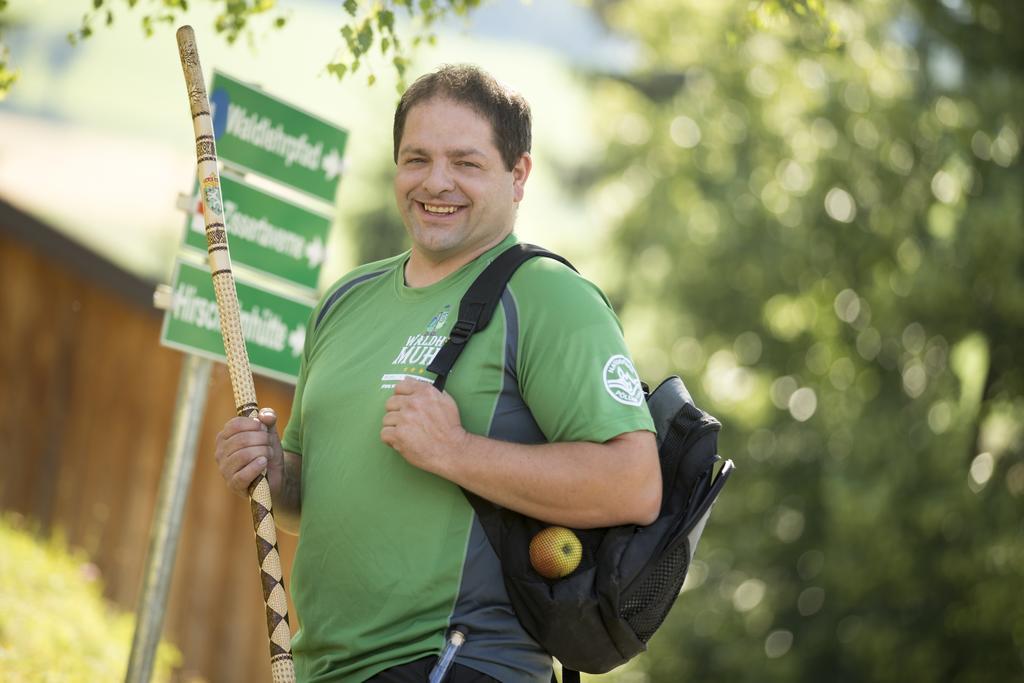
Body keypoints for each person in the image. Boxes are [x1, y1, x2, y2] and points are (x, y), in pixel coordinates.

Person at [215, 64, 661, 683]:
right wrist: (270, 470)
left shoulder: (547, 297)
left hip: (458, 663)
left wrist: (455, 451)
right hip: (322, 666)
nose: (436, 181)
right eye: (416, 158)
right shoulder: (346, 300)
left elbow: (633, 484)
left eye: (467, 163)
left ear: (518, 175)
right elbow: (302, 502)